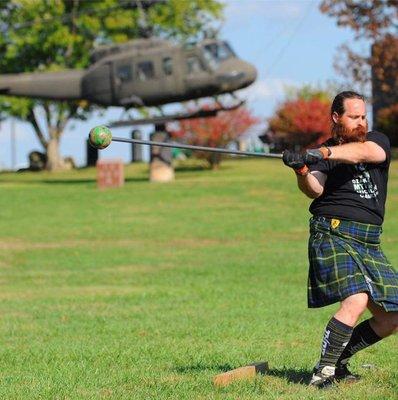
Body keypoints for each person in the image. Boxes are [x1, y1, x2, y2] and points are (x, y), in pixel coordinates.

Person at [282, 91, 398, 388]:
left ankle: (338, 361)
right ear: (336, 117)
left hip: (369, 240)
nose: (361, 122)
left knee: (391, 319)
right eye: (353, 117)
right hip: (333, 232)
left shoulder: (375, 140)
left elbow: (366, 153)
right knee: (356, 299)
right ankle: (322, 375)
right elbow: (314, 189)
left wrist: (322, 154)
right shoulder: (326, 151)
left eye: (363, 116)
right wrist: (301, 169)